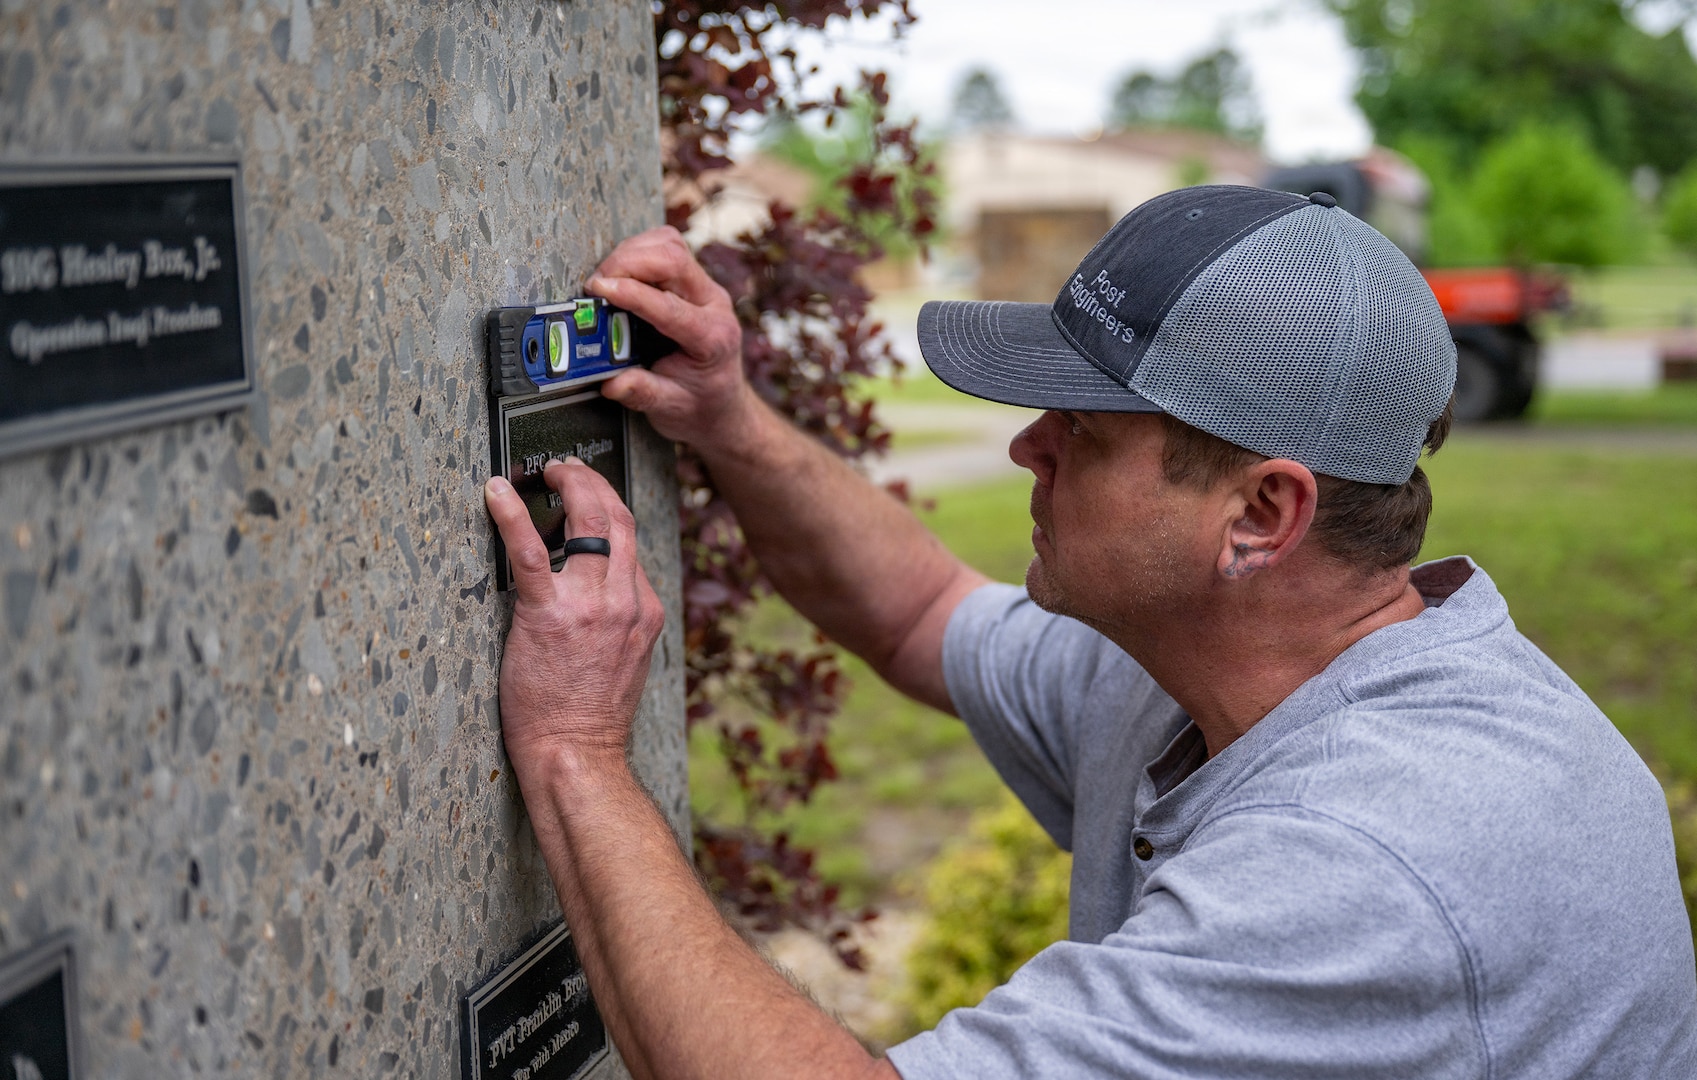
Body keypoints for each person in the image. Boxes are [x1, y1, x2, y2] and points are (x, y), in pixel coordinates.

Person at [481, 186, 1697, 1079]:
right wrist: (726, 419)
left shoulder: (1370, 867)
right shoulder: (1216, 666)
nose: (1026, 446)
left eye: (1085, 428)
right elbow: (917, 612)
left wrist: (578, 750)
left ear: (1260, 512)